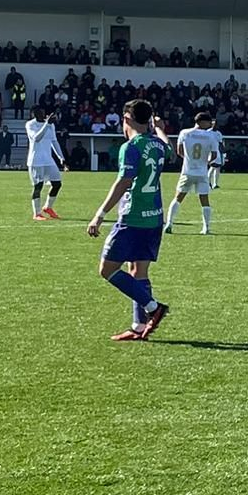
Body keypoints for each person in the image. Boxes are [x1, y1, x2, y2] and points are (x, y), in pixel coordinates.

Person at [86, 100, 172, 341]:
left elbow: (123, 182)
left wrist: (99, 214)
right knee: (138, 270)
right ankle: (138, 326)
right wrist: (160, 129)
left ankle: (153, 309)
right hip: (154, 217)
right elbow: (170, 148)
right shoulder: (156, 143)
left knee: (107, 269)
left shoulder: (131, 147)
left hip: (132, 217)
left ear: (126, 119)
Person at [166, 110, 224, 234]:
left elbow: (179, 151)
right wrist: (205, 162)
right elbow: (214, 154)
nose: (210, 124)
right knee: (204, 200)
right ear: (203, 122)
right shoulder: (211, 136)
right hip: (202, 172)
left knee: (178, 198)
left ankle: (169, 224)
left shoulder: (184, 133)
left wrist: (189, 160)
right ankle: (206, 228)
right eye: (209, 122)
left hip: (187, 171)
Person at [24, 106, 66, 221]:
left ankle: (48, 207)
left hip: (48, 160)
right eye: (39, 113)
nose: (42, 115)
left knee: (57, 183)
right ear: (34, 114)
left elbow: (54, 141)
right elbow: (36, 138)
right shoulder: (30, 125)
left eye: (43, 112)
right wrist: (46, 124)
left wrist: (60, 157)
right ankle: (37, 213)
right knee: (38, 186)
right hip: (36, 160)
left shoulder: (50, 125)